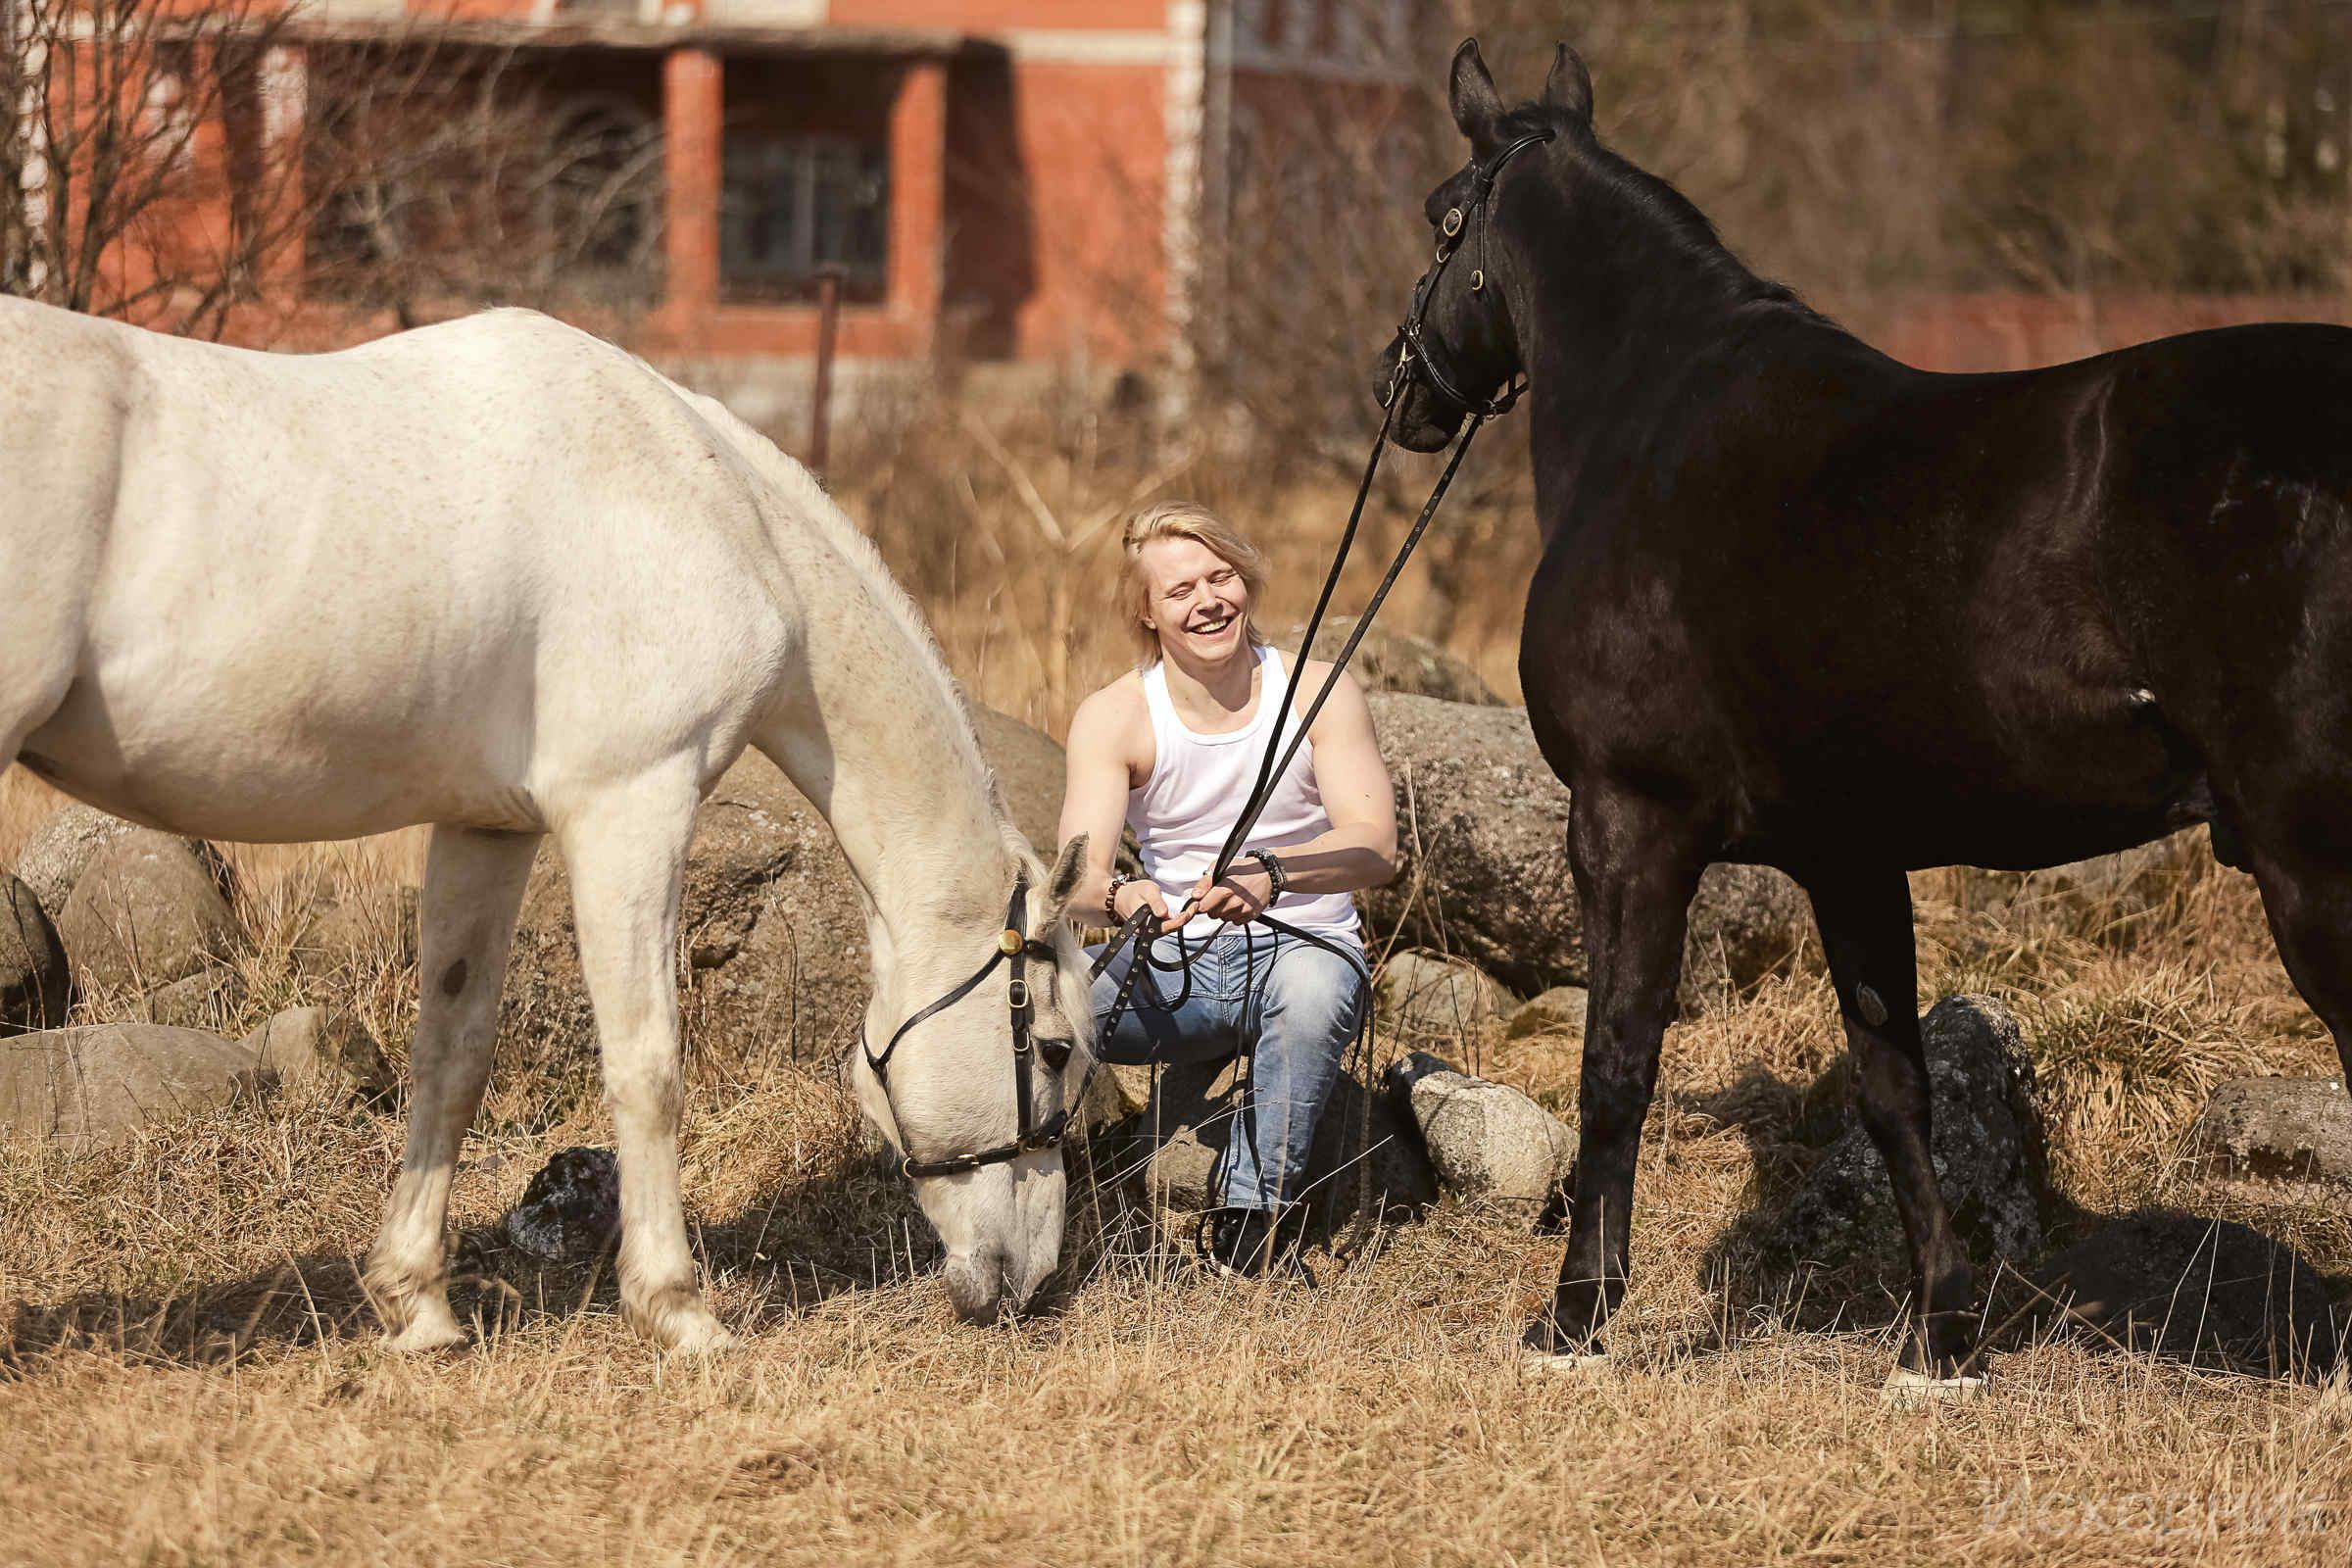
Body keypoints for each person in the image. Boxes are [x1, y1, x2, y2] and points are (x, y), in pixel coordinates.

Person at [1058, 501, 1397, 1275]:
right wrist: (1121, 900)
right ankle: (1018, 1183)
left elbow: (1377, 846)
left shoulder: (1317, 689)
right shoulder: (1114, 716)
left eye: (1223, 577)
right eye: (1180, 590)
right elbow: (1076, 878)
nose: (1208, 600)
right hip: (1176, 965)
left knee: (1310, 995)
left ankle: (1249, 1226)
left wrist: (1273, 874)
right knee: (1032, 1005)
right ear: (1146, 611)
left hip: (1303, 950)